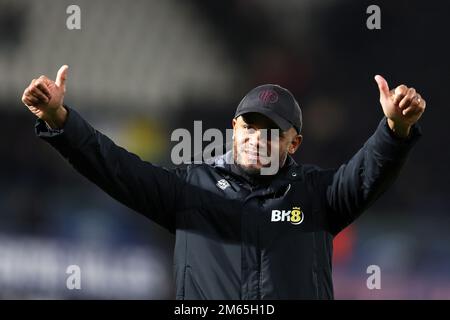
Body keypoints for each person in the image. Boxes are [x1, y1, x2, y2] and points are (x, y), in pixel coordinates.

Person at [21, 65, 426, 299]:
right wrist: (61, 121)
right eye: (249, 126)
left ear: (294, 142)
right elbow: (114, 168)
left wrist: (395, 127)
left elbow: (369, 173)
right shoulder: (190, 189)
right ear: (234, 128)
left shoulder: (318, 195)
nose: (257, 138)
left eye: (272, 131)